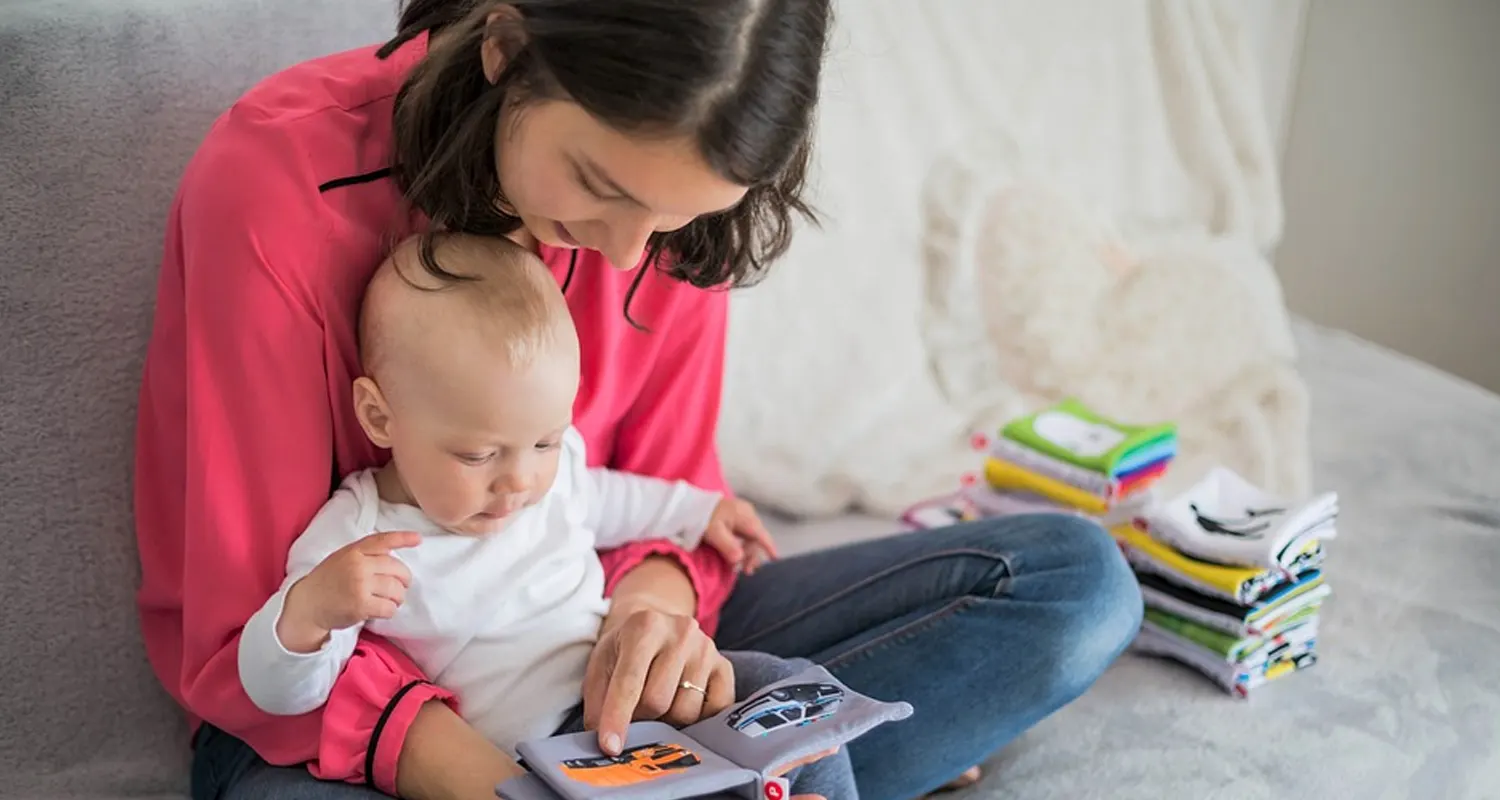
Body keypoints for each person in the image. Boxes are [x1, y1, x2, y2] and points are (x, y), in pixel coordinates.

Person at [131, 2, 1145, 799]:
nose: (626, 255)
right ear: (506, 44)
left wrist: (648, 629)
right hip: (333, 717)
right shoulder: (272, 187)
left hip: (584, 638)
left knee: (1074, 585)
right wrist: (509, 785)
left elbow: (664, 494)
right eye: (596, 182)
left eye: (678, 216)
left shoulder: (665, 225)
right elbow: (247, 631)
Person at [233, 232, 851, 797]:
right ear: (379, 418)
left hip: (626, 700)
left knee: (788, 687)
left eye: (546, 443)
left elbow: (615, 500)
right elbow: (280, 693)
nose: (519, 481)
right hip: (535, 762)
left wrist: (700, 510)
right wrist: (310, 613)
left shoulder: (547, 477)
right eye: (477, 454)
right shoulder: (359, 537)